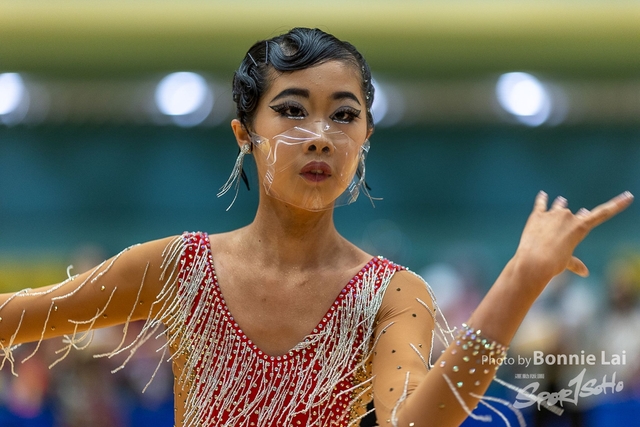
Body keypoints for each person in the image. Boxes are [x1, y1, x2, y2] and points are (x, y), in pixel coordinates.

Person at [0, 27, 633, 427]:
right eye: (292, 111)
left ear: (366, 137)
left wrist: (521, 280)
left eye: (344, 116)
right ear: (245, 134)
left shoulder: (391, 293)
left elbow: (416, 423)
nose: (320, 136)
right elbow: (14, 317)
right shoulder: (178, 269)